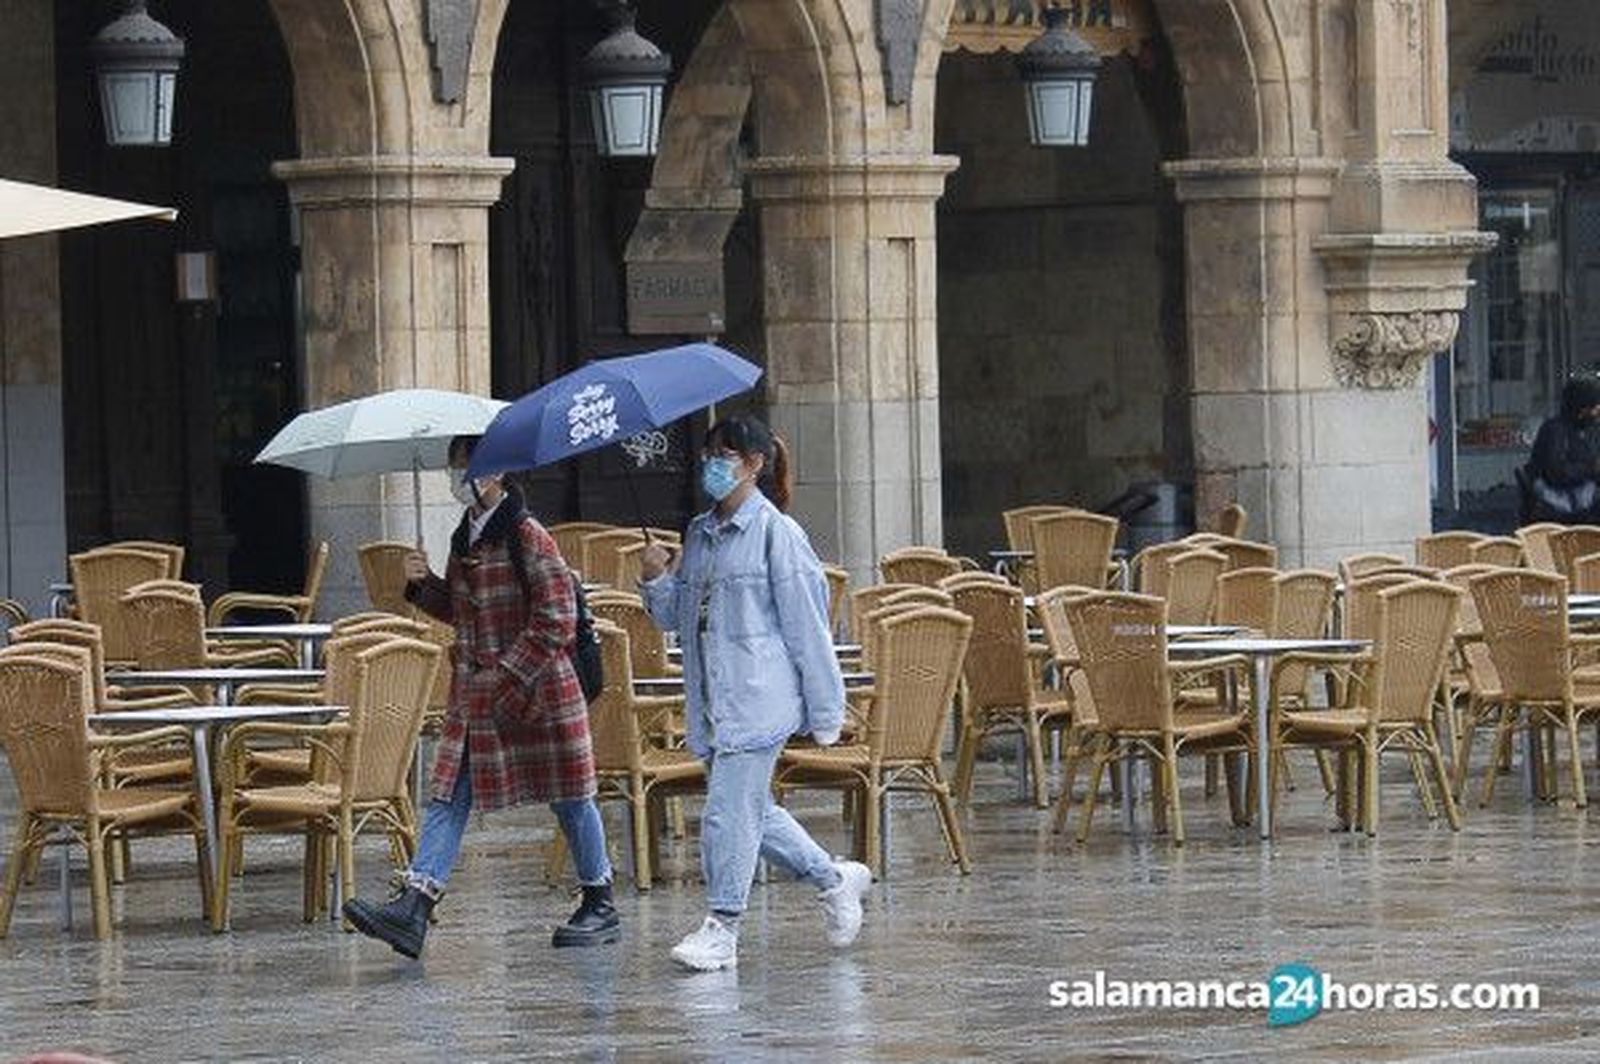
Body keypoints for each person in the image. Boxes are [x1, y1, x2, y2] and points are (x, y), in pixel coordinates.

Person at [343, 435, 618, 958]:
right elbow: (465, 611)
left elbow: (557, 617)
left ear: (496, 470)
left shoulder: (527, 535)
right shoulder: (464, 535)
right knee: (449, 791)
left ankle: (599, 898)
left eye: (466, 464)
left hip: (540, 694)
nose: (459, 474)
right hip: (478, 697)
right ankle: (416, 905)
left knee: (572, 798)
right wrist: (423, 587)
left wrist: (506, 674)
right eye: (455, 464)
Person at [638, 414, 872, 972]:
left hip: (758, 698)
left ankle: (722, 927)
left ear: (755, 464)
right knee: (751, 812)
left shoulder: (777, 534)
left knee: (725, 814)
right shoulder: (698, 533)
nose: (712, 465)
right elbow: (675, 617)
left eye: (726, 456)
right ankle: (835, 879)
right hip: (714, 703)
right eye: (708, 455)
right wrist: (655, 578)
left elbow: (807, 627)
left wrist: (826, 710)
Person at [1528, 376, 1600, 522]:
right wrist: (1592, 468)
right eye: (1594, 408)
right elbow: (1556, 474)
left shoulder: (1589, 430)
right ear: (1581, 408)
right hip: (1559, 503)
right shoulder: (1554, 430)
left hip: (1582, 495)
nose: (1596, 413)